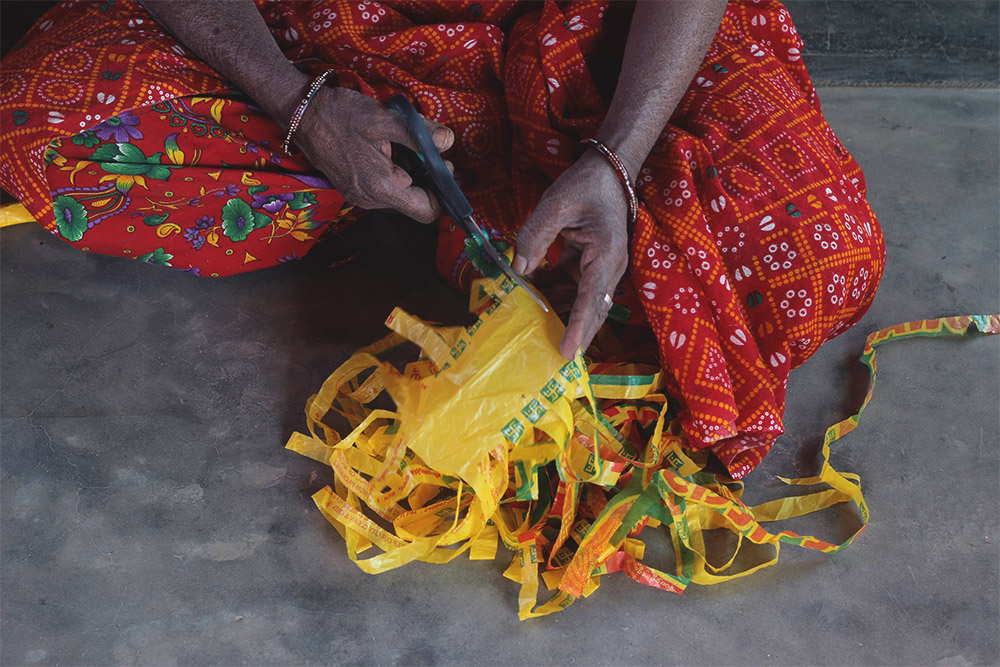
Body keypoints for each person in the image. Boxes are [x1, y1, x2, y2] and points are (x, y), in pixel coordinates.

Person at [0, 0, 884, 480]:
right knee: (41, 124)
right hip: (318, 36)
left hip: (581, 34)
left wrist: (618, 157)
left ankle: (513, 189)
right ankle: (373, 177)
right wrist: (295, 102)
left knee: (822, 247)